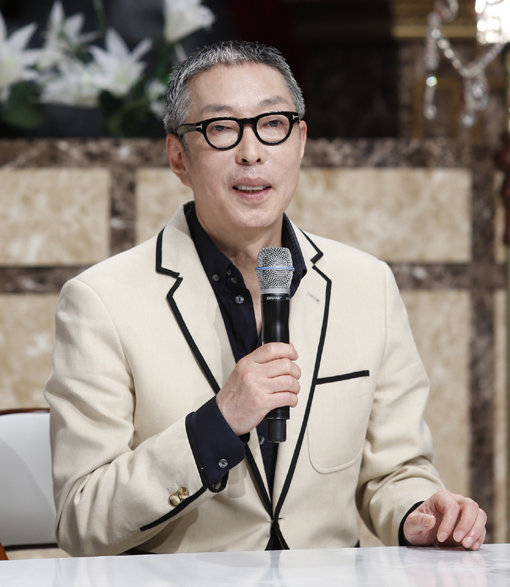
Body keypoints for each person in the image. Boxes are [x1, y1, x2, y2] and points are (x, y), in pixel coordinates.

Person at [45, 40, 486, 556]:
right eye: (221, 128)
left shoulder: (367, 285)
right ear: (178, 156)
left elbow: (394, 472)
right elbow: (81, 518)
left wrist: (418, 512)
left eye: (272, 124)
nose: (251, 152)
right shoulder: (101, 301)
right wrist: (217, 423)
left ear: (299, 141)